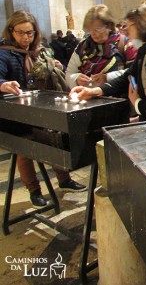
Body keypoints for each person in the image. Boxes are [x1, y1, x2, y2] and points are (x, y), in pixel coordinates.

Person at [0, 11, 86, 208]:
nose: (25, 38)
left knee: (54, 139)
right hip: (16, 113)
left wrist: (54, 66)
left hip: (41, 107)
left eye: (29, 33)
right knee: (25, 148)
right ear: (11, 31)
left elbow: (57, 71)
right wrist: (3, 85)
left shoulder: (41, 50)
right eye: (21, 33)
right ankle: (34, 191)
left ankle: (64, 180)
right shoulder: (4, 52)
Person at [65, 4, 138, 89]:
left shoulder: (125, 43)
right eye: (90, 30)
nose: (93, 34)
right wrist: (76, 78)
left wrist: (107, 77)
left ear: (109, 26)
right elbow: (69, 73)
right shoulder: (84, 45)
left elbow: (134, 72)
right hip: (87, 96)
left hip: (117, 98)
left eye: (97, 29)